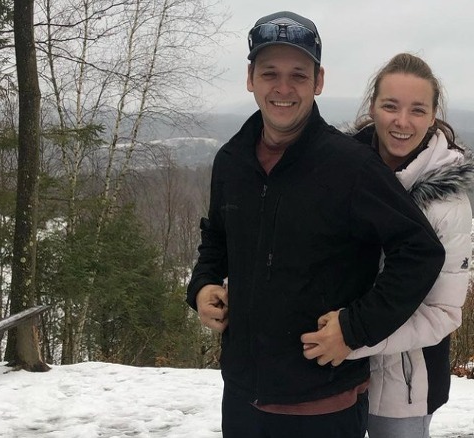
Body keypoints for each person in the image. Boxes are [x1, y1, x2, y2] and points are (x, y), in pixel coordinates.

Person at [185, 11, 445, 438]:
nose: (283, 88)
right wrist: (203, 284)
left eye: (298, 75)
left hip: (324, 407)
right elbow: (217, 235)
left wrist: (355, 328)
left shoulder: (351, 167)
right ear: (250, 78)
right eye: (270, 73)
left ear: (318, 81)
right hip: (242, 399)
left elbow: (420, 252)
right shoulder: (232, 161)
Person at [303, 53, 474, 438]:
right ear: (372, 108)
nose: (402, 122)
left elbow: (442, 313)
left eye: (418, 110)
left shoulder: (446, 206)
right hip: (331, 376)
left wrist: (352, 337)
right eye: (390, 106)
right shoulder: (339, 172)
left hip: (404, 386)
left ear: (433, 116)